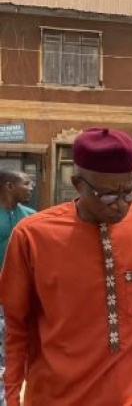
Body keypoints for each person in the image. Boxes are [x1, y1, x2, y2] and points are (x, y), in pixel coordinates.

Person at [0, 128, 132, 405]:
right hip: (57, 397)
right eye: (107, 195)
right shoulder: (33, 236)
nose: (121, 204)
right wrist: (12, 397)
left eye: (130, 190)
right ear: (78, 183)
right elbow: (16, 328)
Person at [0, 169, 35, 402]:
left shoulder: (32, 217)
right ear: (9, 186)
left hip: (23, 296)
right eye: (26, 183)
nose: (30, 187)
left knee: (16, 347)